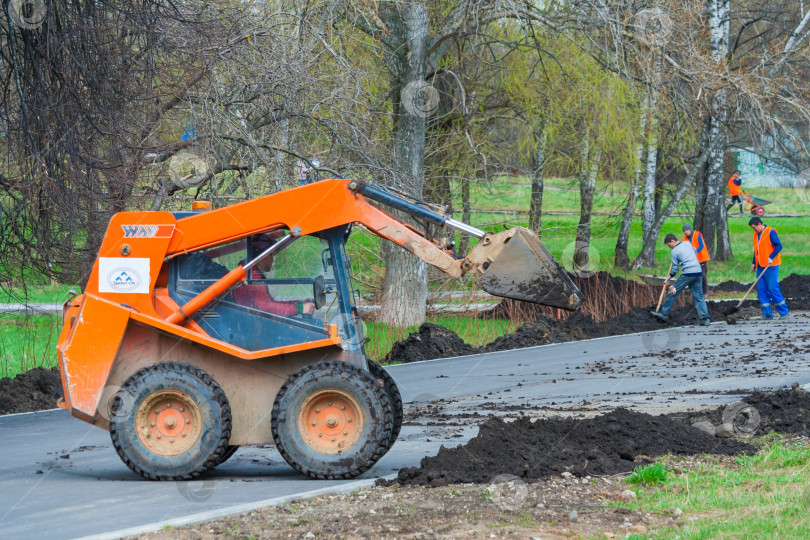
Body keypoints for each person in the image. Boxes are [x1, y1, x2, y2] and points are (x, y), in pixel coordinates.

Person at [233, 233, 315, 317]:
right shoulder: (252, 277)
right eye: (271, 254)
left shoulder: (251, 272)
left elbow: (270, 303)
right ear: (262, 256)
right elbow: (266, 308)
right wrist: (300, 309)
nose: (273, 259)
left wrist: (298, 303)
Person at [650, 233, 711, 326]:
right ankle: (705, 319)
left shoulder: (674, 252)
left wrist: (668, 278)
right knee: (699, 296)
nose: (669, 247)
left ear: (672, 241)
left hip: (688, 273)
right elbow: (694, 252)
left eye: (669, 245)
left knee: (672, 291)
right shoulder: (687, 243)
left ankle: (664, 314)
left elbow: (675, 269)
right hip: (698, 272)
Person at [749, 216, 789, 319]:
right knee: (761, 289)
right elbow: (757, 250)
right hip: (761, 266)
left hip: (772, 265)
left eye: (754, 227)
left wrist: (771, 257)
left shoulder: (770, 232)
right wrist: (754, 262)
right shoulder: (756, 234)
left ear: (759, 224)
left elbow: (779, 246)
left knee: (772, 288)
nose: (754, 230)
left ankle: (784, 312)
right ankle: (767, 314)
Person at [682, 224, 710, 295]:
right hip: (693, 259)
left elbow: (701, 245)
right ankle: (693, 290)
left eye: (687, 230)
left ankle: (704, 291)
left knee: (702, 275)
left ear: (690, 230)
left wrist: (696, 251)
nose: (686, 232)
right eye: (684, 231)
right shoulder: (685, 238)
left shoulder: (697, 234)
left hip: (702, 258)